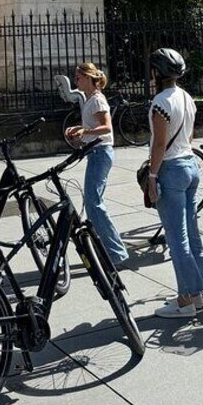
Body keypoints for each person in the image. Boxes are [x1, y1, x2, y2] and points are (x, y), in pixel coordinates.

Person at [147, 48, 203, 318]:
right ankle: (199, 293)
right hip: (191, 166)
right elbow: (190, 135)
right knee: (191, 232)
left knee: (177, 238)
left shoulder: (160, 102)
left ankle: (186, 301)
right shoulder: (187, 97)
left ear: (156, 73)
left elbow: (160, 144)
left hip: (171, 169)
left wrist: (152, 177)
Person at [65, 62, 130, 268]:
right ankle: (102, 248)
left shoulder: (98, 100)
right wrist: (79, 129)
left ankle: (116, 253)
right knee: (93, 203)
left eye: (78, 78)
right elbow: (93, 126)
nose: (76, 81)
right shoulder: (91, 100)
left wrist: (84, 132)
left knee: (94, 203)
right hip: (95, 152)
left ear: (88, 78)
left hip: (101, 153)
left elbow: (106, 127)